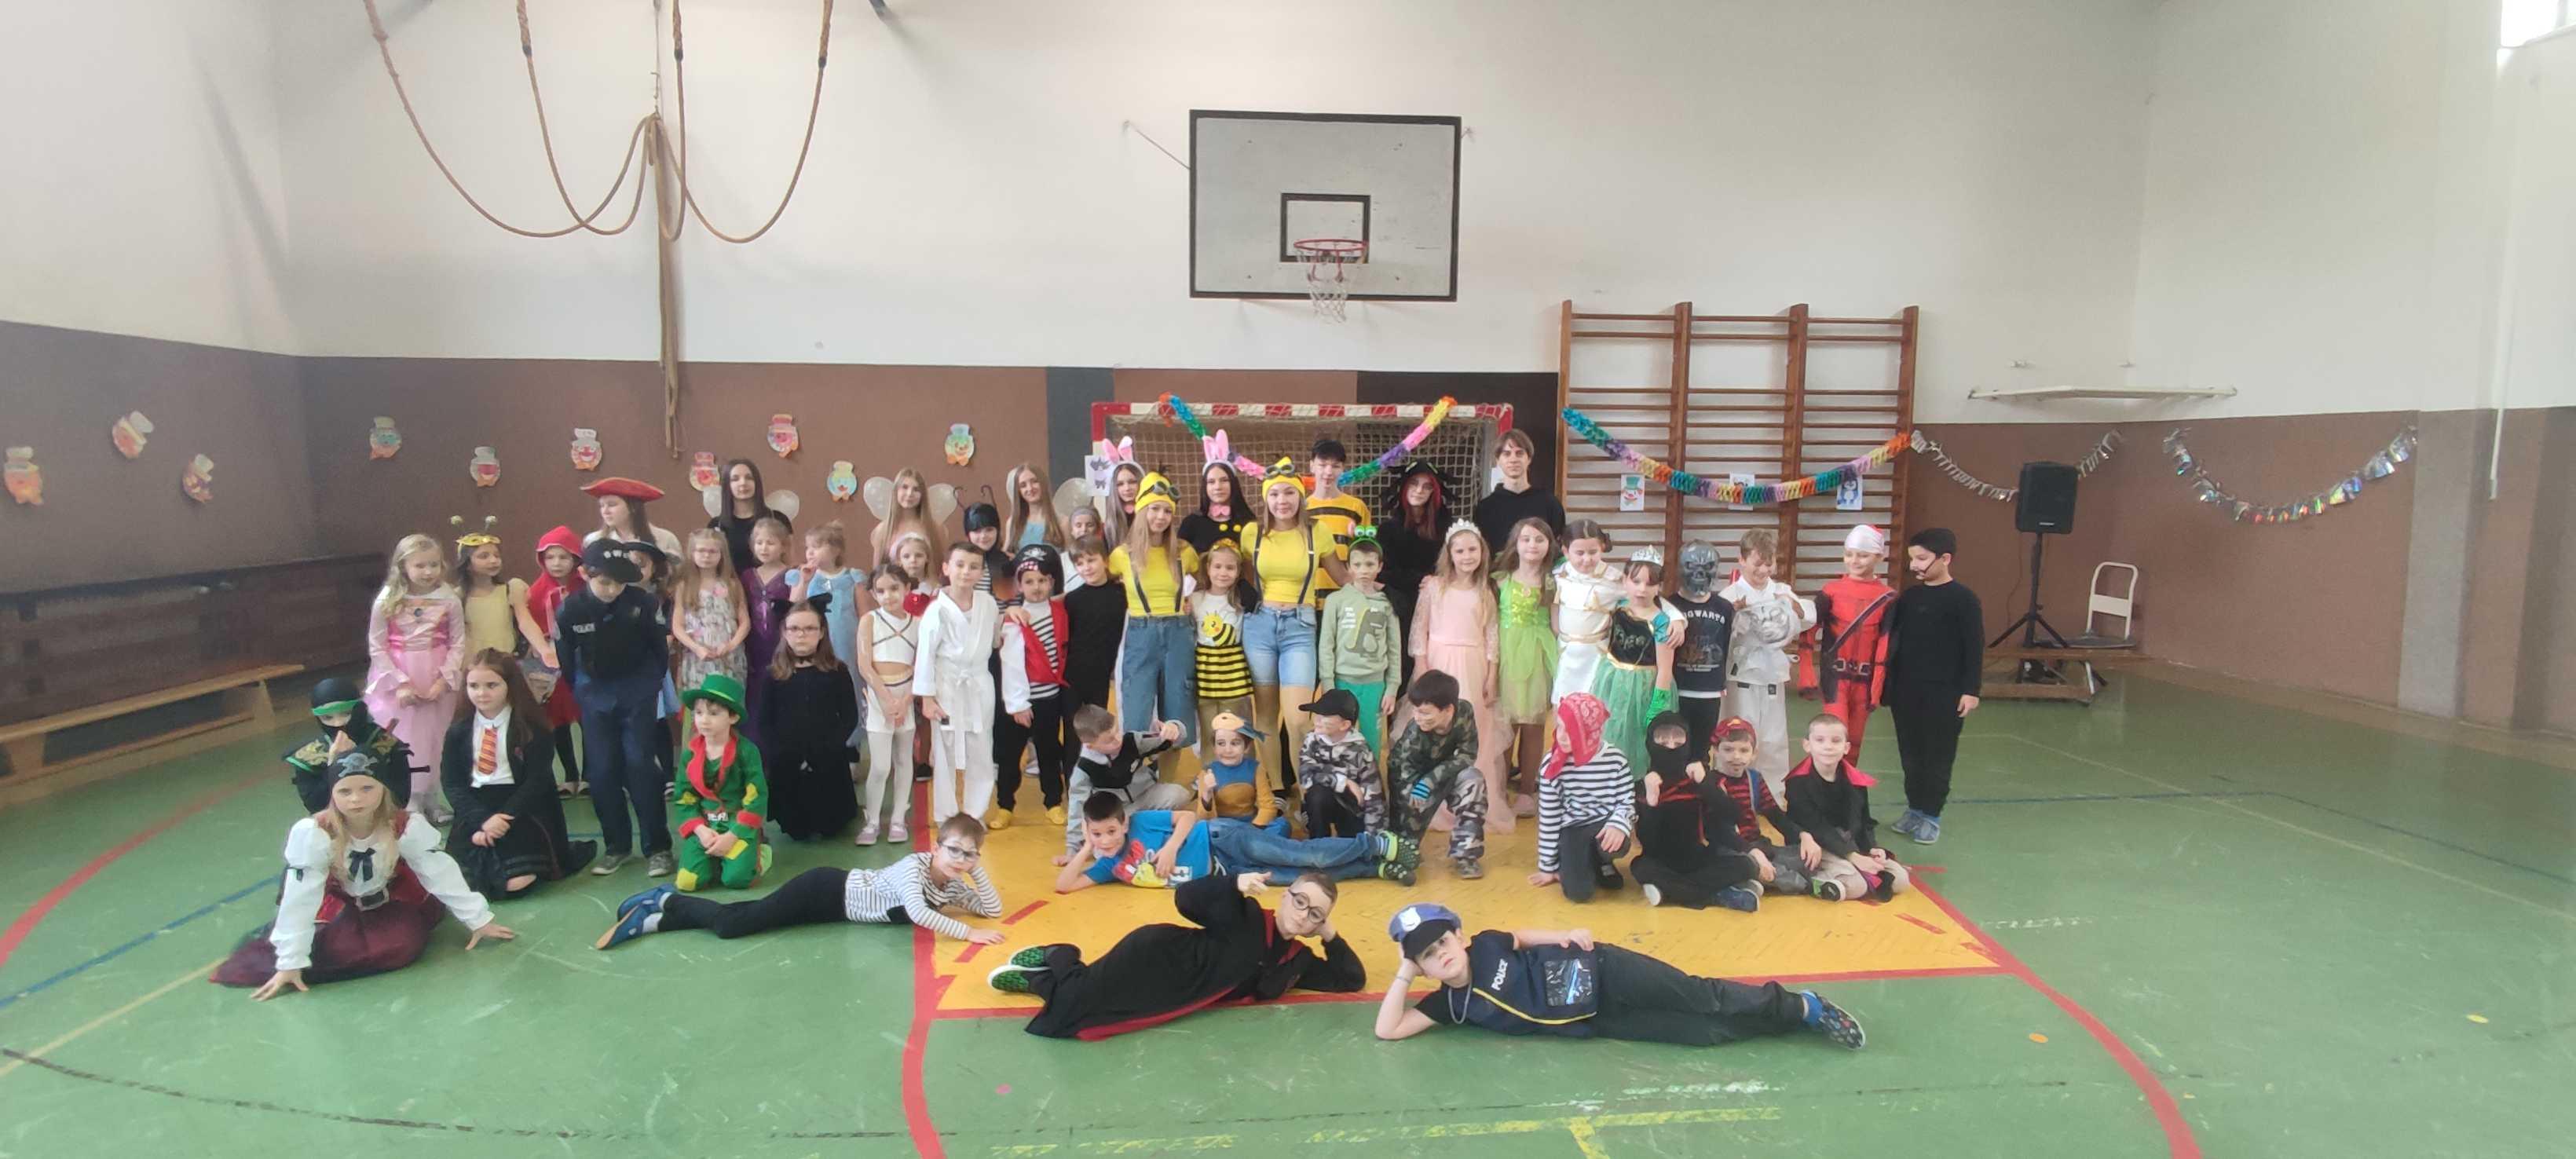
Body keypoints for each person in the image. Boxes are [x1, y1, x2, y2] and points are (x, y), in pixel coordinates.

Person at [210, 748, 514, 1000]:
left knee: (402, 947)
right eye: (345, 791)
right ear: (333, 794)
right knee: (331, 949)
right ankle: (291, 951)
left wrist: (478, 919)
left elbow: (439, 872)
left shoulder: (403, 826)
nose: (356, 799)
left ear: (383, 790)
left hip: (386, 901)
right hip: (336, 903)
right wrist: (290, 961)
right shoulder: (317, 832)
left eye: (367, 788)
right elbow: (301, 895)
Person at [1372, 902, 1864, 1049]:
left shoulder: (1485, 944)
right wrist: (1404, 973)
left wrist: (1565, 933)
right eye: (1428, 956)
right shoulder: (1449, 1006)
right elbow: (1388, 1029)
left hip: (1605, 970)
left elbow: (1520, 935)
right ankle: (1782, 1022)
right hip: (1598, 1019)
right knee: (1704, 1034)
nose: (1442, 956)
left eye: (1443, 942)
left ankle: (1800, 1006)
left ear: (1460, 935)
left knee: (1700, 997)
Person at [986, 868, 1366, 1040]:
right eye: (1300, 901)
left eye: (1315, 913)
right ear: (1285, 896)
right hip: (1154, 957)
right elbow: (1185, 899)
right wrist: (1232, 884)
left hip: (1169, 995)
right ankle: (1059, 955)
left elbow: (1351, 979)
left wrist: (1329, 933)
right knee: (1068, 1013)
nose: (1303, 915)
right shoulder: (1245, 913)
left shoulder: (1298, 961)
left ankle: (1042, 980)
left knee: (1084, 1017)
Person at [599, 814, 1003, 949]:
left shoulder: (952, 885)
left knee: (746, 915)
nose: (960, 860)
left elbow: (992, 908)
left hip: (831, 911)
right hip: (825, 890)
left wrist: (976, 869)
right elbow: (917, 911)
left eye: (969, 854)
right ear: (935, 847)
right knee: (733, 926)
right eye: (954, 850)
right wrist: (969, 934)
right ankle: (667, 899)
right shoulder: (913, 868)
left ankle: (655, 920)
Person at [554, 538, 675, 877]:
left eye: (620, 583)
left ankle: (658, 848)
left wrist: (648, 687)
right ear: (585, 574)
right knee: (602, 771)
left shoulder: (643, 603)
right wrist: (585, 692)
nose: (612, 590)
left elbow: (659, 651)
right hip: (595, 694)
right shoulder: (570, 610)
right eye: (605, 582)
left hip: (637, 691)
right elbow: (567, 660)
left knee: (640, 764)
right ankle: (617, 846)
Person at [441, 649, 596, 897]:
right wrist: (483, 821)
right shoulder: (458, 731)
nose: (481, 693)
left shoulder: (532, 728)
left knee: (516, 883)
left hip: (521, 809)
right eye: (474, 686)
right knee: (457, 883)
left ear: (510, 686)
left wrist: (504, 818)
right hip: (477, 809)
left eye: (492, 685)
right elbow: (452, 783)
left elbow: (537, 780)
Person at [1883, 527, 1982, 846]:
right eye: (1912, 559)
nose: (1914, 565)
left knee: (1937, 755)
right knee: (1910, 754)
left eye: (1922, 559)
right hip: (1907, 691)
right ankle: (1914, 808)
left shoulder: (1964, 600)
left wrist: (1971, 690)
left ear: (1945, 558)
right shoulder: (1910, 598)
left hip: (1944, 693)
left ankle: (1931, 815)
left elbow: (1974, 647)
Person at [1243, 459, 1337, 773]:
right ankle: (1276, 788)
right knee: (1266, 715)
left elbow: (1341, 575)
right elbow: (1239, 578)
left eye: (1289, 493)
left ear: (1300, 496)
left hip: (1300, 625)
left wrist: (1377, 587)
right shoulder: (1252, 533)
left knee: (1298, 718)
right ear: (1265, 499)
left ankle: (1308, 787)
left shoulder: (1317, 532)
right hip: (1259, 626)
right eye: (1274, 494)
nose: (1281, 501)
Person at [1412, 520, 1506, 827]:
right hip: (1440, 662)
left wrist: (1492, 675)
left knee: (1471, 727)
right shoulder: (1434, 587)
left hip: (1473, 665)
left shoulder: (1485, 590)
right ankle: (1436, 801)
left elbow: (1492, 636)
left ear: (1482, 552)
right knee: (1439, 726)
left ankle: (1470, 800)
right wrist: (1421, 665)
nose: (1467, 556)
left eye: (1472, 550)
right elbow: (1419, 629)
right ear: (1449, 554)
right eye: (1460, 551)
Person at [364, 533, 464, 821]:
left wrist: (444, 680)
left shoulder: (448, 597)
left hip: (436, 674)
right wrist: (400, 683)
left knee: (436, 738)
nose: (428, 572)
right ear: (403, 566)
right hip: (401, 674)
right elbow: (377, 645)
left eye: (434, 564)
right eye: (420, 565)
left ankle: (432, 798)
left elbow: (458, 641)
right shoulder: (388, 599)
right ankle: (409, 801)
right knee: (406, 739)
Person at [1630, 711, 1766, 912]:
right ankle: (1721, 894)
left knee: (1747, 865)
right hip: (1660, 862)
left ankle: (1672, 891)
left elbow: (1733, 815)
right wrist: (1652, 801)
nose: (1671, 746)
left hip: (1697, 857)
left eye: (1678, 740)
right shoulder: (1642, 786)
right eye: (1663, 740)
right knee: (1639, 867)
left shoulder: (1697, 778)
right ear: (1651, 743)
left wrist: (1706, 785)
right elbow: (1648, 842)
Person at [1111, 473, 1201, 758]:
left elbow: (1204, 583)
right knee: (1136, 711)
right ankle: (1139, 778)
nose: (1161, 517)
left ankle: (1169, 779)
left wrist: (1190, 600)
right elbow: (1099, 586)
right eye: (1154, 509)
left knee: (1177, 713)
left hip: (1179, 633)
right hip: (1141, 632)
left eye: (1167, 511)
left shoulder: (1184, 552)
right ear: (1141, 510)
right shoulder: (1121, 555)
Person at [1720, 529, 1816, 784]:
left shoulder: (1782, 591)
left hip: (1772, 677)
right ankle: (1734, 792)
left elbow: (1807, 619)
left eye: (1769, 563)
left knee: (1773, 740)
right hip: (1741, 679)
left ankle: (1774, 796)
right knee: (1738, 738)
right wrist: (1732, 615)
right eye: (1757, 564)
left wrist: (1794, 607)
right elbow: (1719, 637)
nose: (1763, 570)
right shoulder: (1729, 596)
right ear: (1742, 560)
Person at [920, 542, 1004, 825]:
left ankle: (975, 814)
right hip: (947, 687)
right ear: (946, 568)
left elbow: (995, 639)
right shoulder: (936, 610)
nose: (966, 572)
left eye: (973, 567)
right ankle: (946, 816)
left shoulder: (988, 604)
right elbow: (925, 655)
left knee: (981, 747)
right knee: (944, 750)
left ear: (981, 572)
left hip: (979, 684)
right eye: (960, 565)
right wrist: (927, 698)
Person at [763, 598, 860, 842]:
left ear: (822, 632)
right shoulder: (774, 674)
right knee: (796, 829)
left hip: (827, 756)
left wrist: (832, 745)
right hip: (788, 759)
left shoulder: (837, 671)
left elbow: (849, 715)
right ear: (784, 632)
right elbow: (765, 720)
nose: (801, 635)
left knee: (831, 826)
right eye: (794, 628)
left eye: (809, 629)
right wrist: (780, 751)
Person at [1784, 713, 1909, 901]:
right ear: (1807, 745)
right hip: (1816, 844)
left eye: (1836, 741)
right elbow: (1817, 827)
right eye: (1820, 740)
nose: (1828, 746)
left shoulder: (1856, 780)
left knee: (1900, 880)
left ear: (1846, 748)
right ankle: (1815, 882)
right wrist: (1852, 856)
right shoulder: (1797, 783)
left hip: (1849, 842)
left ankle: (1846, 875)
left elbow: (1865, 821)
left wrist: (1872, 849)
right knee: (1856, 885)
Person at [1524, 693, 1636, 902]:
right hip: (1573, 828)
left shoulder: (1615, 760)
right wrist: (1548, 867)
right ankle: (1577, 861)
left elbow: (1627, 800)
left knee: (1617, 843)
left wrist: (1618, 824)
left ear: (1590, 732)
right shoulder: (1552, 763)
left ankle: (1603, 862)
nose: (1562, 737)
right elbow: (1549, 818)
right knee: (1578, 893)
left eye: (1571, 731)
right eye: (1560, 727)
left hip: (1604, 825)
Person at [997, 544, 1076, 828]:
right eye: (1029, 581)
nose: (1037, 587)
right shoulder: (1016, 618)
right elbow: (1012, 664)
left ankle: (1053, 802)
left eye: (1042, 580)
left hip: (1050, 699)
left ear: (1052, 581)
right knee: (1010, 757)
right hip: (1022, 702)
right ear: (1019, 585)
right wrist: (1018, 704)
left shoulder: (1060, 610)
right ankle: (1005, 805)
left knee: (1049, 753)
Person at [669, 673, 772, 891]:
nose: (704, 720)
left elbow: (756, 799)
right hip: (705, 825)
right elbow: (684, 798)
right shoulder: (690, 753)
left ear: (732, 717)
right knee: (687, 882)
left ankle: (760, 852)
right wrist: (700, 830)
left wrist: (733, 835)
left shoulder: (747, 752)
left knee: (736, 880)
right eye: (699, 713)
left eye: (714, 713)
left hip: (736, 824)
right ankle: (716, 859)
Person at [1587, 547, 1681, 777]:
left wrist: (1657, 705)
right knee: (1609, 730)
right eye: (1636, 581)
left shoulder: (1661, 621)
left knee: (1635, 736)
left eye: (1650, 583)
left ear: (1659, 587)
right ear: (1625, 580)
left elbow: (1665, 669)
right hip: (1612, 680)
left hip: (1642, 688)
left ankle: (1635, 785)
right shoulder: (1618, 606)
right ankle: (1608, 781)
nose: (1641, 589)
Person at [1057, 706, 1195, 860]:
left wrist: (1174, 728)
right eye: (1109, 740)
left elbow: (1168, 739)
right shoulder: (1084, 768)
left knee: (1180, 795)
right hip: (1119, 811)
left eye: (1117, 731)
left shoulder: (1132, 741)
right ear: (1091, 746)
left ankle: (1140, 827)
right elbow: (1077, 805)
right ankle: (1143, 827)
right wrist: (1073, 847)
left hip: (1146, 795)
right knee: (1102, 853)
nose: (1118, 739)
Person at [1386, 670, 1486, 879]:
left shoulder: (1464, 712)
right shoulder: (1414, 732)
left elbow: (1468, 754)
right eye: (1415, 711)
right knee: (1405, 848)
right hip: (1412, 782)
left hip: (1442, 776)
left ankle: (1466, 855)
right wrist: (1418, 794)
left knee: (1473, 780)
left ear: (1448, 710)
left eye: (1425, 713)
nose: (1417, 718)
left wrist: (1431, 780)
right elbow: (1402, 777)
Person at [1810, 524, 1897, 758]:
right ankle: (1827, 778)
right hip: (1835, 678)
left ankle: (1846, 781)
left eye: (1863, 555)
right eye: (1849, 554)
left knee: (1854, 743)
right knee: (1835, 737)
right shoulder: (1831, 591)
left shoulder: (1888, 598)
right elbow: (1808, 631)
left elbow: (1885, 644)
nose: (1854, 561)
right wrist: (1807, 673)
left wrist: (1877, 688)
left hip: (1865, 681)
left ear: (1879, 557)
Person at [1494, 517, 1559, 817]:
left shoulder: (1553, 582)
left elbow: (1557, 624)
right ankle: (1499, 787)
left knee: (1533, 725)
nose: (1532, 545)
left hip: (1538, 654)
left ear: (1549, 545)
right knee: (1505, 723)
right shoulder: (1500, 579)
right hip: (1506, 653)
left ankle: (1527, 790)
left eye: (1539, 539)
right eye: (1526, 539)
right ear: (1516, 544)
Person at [1316, 534, 1401, 755]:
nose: (1364, 570)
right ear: (1349, 567)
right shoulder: (1336, 600)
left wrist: (1392, 687)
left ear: (1380, 566)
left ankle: (1371, 776)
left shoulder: (1387, 603)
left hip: (1375, 685)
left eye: (1370, 564)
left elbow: (1395, 648)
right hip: (1342, 683)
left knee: (1371, 742)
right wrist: (1328, 684)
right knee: (1338, 740)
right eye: (1357, 564)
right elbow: (1326, 644)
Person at [1707, 715, 1809, 895]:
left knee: (1807, 858)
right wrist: (1754, 853)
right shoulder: (1711, 784)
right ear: (1715, 751)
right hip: (1731, 850)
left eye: (1744, 750)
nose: (1736, 757)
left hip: (1758, 844)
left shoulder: (1754, 778)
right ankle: (1809, 885)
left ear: (1754, 753)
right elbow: (1721, 832)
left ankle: (1750, 881)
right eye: (1728, 750)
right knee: (1776, 874)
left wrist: (1804, 836)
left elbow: (1775, 814)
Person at [854, 565, 920, 845]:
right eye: (880, 591)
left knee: (904, 761)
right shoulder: (869, 620)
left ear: (907, 589)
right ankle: (872, 821)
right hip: (879, 699)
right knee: (880, 766)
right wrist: (886, 700)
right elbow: (864, 664)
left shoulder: (918, 624)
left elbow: (922, 667)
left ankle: (898, 819)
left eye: (894, 588)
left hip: (906, 698)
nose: (888, 596)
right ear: (873, 593)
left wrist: (905, 702)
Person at [283, 677, 414, 815]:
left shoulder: (387, 744)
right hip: (335, 824)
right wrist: (333, 765)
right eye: (327, 718)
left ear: (360, 710)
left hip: (384, 821)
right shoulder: (308, 757)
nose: (338, 723)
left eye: (346, 714)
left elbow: (400, 798)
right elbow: (316, 806)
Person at [1059, 538, 1125, 802]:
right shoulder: (1073, 599)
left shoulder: (1122, 594)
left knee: (1098, 731)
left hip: (1101, 676)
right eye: (1080, 563)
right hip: (1073, 677)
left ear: (1105, 560)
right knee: (1074, 732)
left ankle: (1095, 784)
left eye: (1091, 560)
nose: (1086, 567)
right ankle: (1073, 789)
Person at [523, 525, 585, 795]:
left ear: (576, 558)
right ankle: (570, 774)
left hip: (582, 657)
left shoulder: (585, 587)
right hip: (549, 661)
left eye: (563, 557)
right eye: (550, 557)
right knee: (557, 719)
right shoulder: (536, 591)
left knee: (585, 715)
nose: (557, 563)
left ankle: (589, 775)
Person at [1377, 460, 1450, 679]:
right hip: (1400, 606)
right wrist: (1421, 579)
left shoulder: (1446, 527)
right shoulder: (1388, 529)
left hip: (1438, 605)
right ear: (1404, 486)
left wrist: (1436, 581)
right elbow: (1383, 572)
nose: (1419, 491)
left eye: (1427, 487)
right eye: (1414, 484)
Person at [1667, 539, 1735, 766]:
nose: (1699, 573)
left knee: (1702, 753)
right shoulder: (1668, 606)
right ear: (1680, 567)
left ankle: (1700, 788)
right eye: (1692, 566)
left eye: (1707, 567)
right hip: (1677, 691)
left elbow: (1726, 645)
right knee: (1674, 749)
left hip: (1709, 692)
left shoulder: (1724, 608)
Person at [1189, 541, 1259, 761]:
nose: (1223, 573)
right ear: (1208, 568)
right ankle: (1210, 773)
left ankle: (1245, 773)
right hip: (1206, 673)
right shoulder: (1195, 599)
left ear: (1238, 571)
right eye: (1217, 567)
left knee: (1239, 726)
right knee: (1210, 729)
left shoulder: (1240, 599)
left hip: (1233, 673)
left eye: (1230, 568)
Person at [1296, 688, 1384, 839]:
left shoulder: (1360, 749)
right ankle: (1318, 843)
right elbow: (1306, 776)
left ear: (1344, 725)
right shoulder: (1312, 740)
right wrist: (1344, 782)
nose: (1317, 719)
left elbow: (1374, 794)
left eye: (1325, 716)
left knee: (1353, 841)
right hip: (1323, 800)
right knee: (1317, 796)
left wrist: (1373, 837)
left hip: (1349, 805)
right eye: (1317, 714)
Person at [739, 515, 795, 749]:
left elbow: (796, 608)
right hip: (754, 646)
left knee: (781, 692)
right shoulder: (747, 576)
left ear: (783, 546)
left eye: (770, 543)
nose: (764, 548)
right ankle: (754, 750)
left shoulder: (792, 575)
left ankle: (780, 748)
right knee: (755, 697)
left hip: (780, 644)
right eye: (759, 542)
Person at [672, 528, 751, 693]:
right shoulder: (684, 586)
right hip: (697, 657)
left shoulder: (732, 584)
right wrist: (696, 648)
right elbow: (677, 626)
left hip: (729, 657)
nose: (706, 556)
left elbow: (745, 622)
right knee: (699, 702)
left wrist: (731, 646)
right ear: (692, 553)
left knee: (727, 701)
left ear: (722, 555)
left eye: (712, 551)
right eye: (701, 551)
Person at [1471, 429, 1566, 563]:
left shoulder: (1549, 503)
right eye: (1507, 454)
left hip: (1540, 574)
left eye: (1519, 453)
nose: (1513, 459)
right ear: (1498, 460)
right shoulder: (1485, 508)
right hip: (1497, 574)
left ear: (1529, 459)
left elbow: (1557, 548)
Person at [787, 522, 864, 686]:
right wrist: (804, 582)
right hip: (816, 642)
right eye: (808, 547)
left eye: (816, 547)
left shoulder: (852, 578)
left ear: (836, 550)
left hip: (847, 643)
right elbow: (792, 609)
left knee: (846, 680)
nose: (810, 552)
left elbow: (865, 614)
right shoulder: (802, 576)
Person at [452, 518, 540, 660]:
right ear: (467, 564)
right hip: (473, 666)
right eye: (484, 556)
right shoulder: (457, 596)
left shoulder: (510, 589)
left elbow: (526, 622)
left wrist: (543, 648)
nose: (493, 560)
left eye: (497, 556)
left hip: (507, 663)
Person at [1551, 521, 1619, 704]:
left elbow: (1645, 600)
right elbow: (1553, 605)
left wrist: (1675, 618)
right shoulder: (1559, 576)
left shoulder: (1614, 580)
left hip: (1596, 655)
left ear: (1602, 548)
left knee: (1594, 705)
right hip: (1566, 653)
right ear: (1566, 551)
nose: (1587, 559)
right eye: (1580, 553)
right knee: (1563, 706)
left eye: (1593, 552)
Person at [1302, 439, 1370, 601]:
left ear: (1343, 469)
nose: (1328, 472)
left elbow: (1368, 553)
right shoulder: (1301, 509)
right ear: (1312, 466)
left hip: (1347, 598)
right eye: (1322, 465)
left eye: (1335, 466)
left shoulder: (1356, 507)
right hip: (1309, 600)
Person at [1194, 711, 1283, 833]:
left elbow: (1268, 806)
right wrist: (1207, 793)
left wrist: (1254, 829)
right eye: (1221, 744)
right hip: (1222, 826)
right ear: (1214, 748)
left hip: (1251, 825)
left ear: (1246, 747)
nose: (1228, 750)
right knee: (1204, 830)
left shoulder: (1256, 768)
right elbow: (1204, 819)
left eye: (1235, 743)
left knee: (1282, 825)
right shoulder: (1207, 773)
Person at [709, 459, 791, 574]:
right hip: (729, 584)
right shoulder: (716, 525)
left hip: (772, 584)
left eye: (749, 478)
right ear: (727, 485)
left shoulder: (777, 519)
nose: (743, 483)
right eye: (735, 479)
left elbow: (789, 561)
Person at [581, 476, 684, 559]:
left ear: (633, 508)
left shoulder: (665, 539)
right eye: (602, 506)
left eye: (612, 504)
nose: (605, 511)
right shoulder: (593, 540)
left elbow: (677, 575)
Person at [869, 466, 947, 565]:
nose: (910, 494)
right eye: (905, 487)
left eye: (916, 489)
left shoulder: (936, 528)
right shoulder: (883, 530)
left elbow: (940, 566)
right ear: (896, 491)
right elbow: (877, 570)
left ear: (922, 495)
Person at [1177, 459, 1253, 555]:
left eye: (1224, 480)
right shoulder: (1191, 523)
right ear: (1205, 486)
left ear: (1234, 484)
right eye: (1211, 482)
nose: (1218, 487)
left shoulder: (1248, 522)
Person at [1004, 463, 1071, 551]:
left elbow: (1069, 557)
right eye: (1023, 485)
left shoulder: (1063, 523)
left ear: (1043, 483)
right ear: (1019, 491)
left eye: (1034, 481)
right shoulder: (1013, 523)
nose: (1030, 488)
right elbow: (1006, 555)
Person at [961, 500, 1015, 602]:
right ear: (968, 534)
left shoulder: (1007, 561)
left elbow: (1014, 602)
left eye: (989, 530)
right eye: (977, 531)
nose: (983, 536)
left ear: (997, 531)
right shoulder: (960, 563)